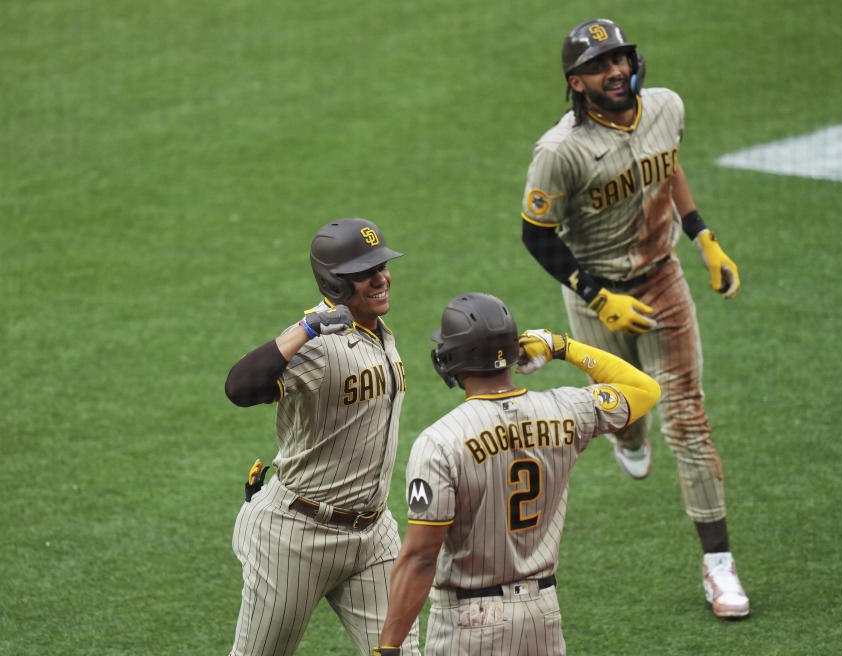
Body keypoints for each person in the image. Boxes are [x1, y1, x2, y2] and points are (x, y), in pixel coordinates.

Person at [519, 18, 750, 618]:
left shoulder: (667, 107)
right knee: (624, 410)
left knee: (688, 418)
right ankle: (627, 431)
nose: (616, 70)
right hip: (596, 294)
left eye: (620, 58)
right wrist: (598, 297)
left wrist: (704, 238)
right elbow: (536, 235)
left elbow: (667, 166)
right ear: (577, 82)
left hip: (662, 278)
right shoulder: (559, 151)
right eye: (600, 65)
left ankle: (719, 566)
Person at [372, 292, 661, 655]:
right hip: (543, 614)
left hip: (471, 620)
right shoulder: (567, 410)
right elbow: (644, 390)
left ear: (451, 359)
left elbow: (421, 557)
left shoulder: (440, 442)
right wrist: (562, 346)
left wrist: (388, 647)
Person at [223, 218, 420, 655]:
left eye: (383, 266)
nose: (382, 277)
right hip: (296, 535)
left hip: (373, 536)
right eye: (366, 272)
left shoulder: (380, 333)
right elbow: (239, 387)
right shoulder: (318, 344)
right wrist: (306, 327)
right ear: (335, 280)